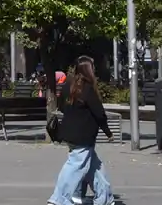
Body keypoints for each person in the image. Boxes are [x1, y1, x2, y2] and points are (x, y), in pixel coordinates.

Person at [47, 56, 113, 205]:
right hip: (84, 136)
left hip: (70, 133)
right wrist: (108, 132)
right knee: (74, 166)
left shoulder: (68, 85)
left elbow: (62, 107)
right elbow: (99, 113)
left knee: (95, 167)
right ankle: (59, 198)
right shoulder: (88, 88)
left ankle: (106, 198)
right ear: (89, 69)